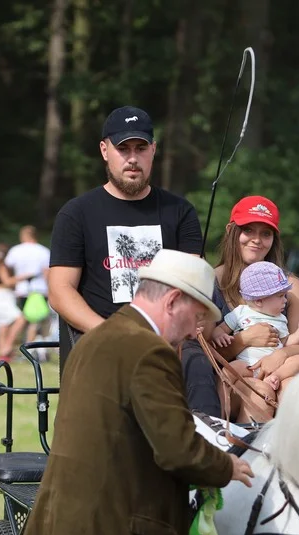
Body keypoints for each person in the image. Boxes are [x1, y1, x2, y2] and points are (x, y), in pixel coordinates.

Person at [14, 249, 254, 535]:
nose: (194, 332)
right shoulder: (149, 351)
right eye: (196, 316)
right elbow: (177, 448)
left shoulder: (99, 339)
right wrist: (227, 467)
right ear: (172, 301)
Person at [46, 105, 204, 379]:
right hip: (101, 340)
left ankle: (199, 424)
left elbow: (194, 284)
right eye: (123, 149)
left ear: (153, 150)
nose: (133, 158)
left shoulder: (180, 211)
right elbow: (60, 291)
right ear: (105, 151)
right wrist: (109, 333)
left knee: (198, 366)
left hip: (168, 341)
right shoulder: (76, 213)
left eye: (140, 148)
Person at [206, 195, 299, 419]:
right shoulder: (211, 281)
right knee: (261, 392)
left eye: (266, 233)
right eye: (248, 230)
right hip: (235, 374)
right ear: (232, 231)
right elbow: (206, 351)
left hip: (279, 370)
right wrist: (246, 340)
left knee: (294, 389)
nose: (256, 240)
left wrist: (280, 355)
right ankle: (248, 452)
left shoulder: (291, 285)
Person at [210, 260, 299, 394]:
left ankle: (275, 377)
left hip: (274, 366)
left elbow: (286, 342)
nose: (285, 300)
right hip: (247, 365)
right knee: (228, 371)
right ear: (258, 301)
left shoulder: (280, 319)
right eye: (280, 296)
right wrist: (219, 335)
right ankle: (223, 405)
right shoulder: (241, 312)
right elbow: (220, 329)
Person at [5, 225, 52, 344]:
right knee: (34, 322)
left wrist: (11, 281)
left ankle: (12, 346)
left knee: (23, 319)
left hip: (22, 290)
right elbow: (47, 273)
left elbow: (7, 266)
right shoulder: (44, 251)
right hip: (40, 291)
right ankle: (27, 348)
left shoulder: (16, 250)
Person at [0, 243, 29, 361]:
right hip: (3, 297)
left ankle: (2, 353)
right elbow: (7, 282)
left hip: (0, 297)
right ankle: (7, 346)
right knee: (21, 319)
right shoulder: (2, 266)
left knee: (4, 325)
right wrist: (22, 277)